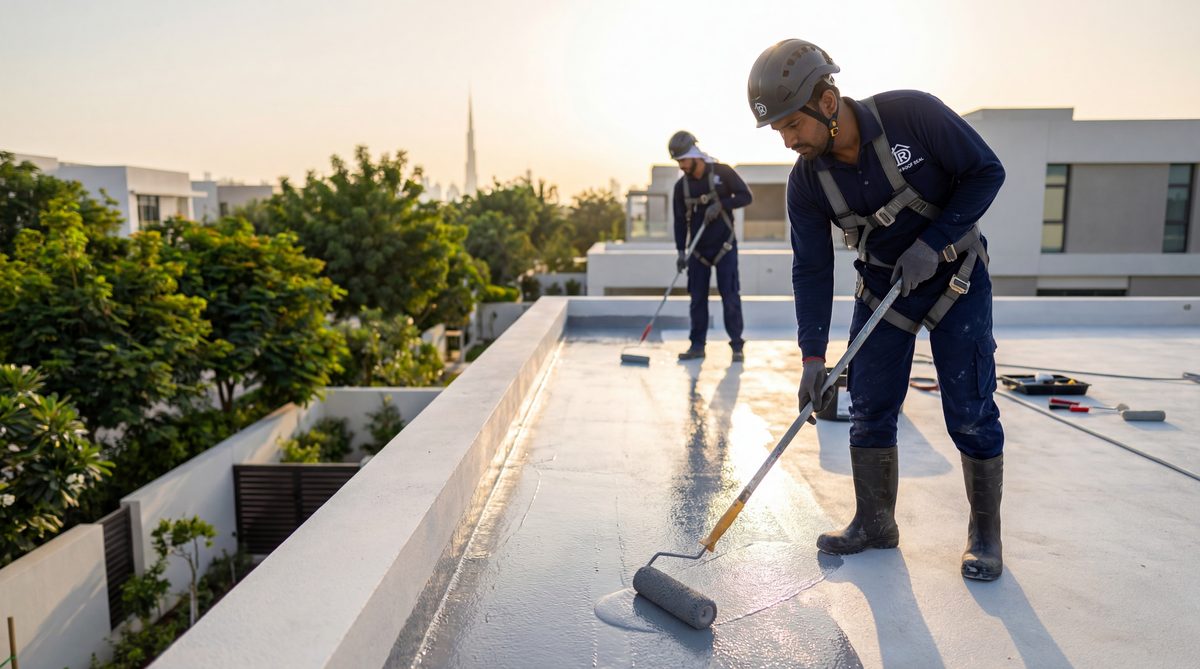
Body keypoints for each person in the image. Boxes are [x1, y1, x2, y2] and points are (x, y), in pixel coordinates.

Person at [747, 40, 1006, 580]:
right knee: (869, 407)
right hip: (884, 290)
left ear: (827, 100)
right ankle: (875, 523)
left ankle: (985, 535)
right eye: (780, 132)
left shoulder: (912, 115)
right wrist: (812, 356)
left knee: (969, 407)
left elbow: (986, 172)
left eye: (794, 125)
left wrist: (932, 242)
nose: (789, 141)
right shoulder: (807, 184)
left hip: (955, 277)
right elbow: (812, 270)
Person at [668, 131, 753, 362]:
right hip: (698, 252)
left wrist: (722, 205)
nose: (682, 165)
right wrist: (680, 252)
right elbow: (679, 222)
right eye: (678, 162)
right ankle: (697, 346)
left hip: (724, 247)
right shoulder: (681, 188)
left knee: (730, 296)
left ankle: (736, 346)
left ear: (695, 155)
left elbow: (746, 196)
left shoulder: (722, 173)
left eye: (684, 160)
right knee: (697, 299)